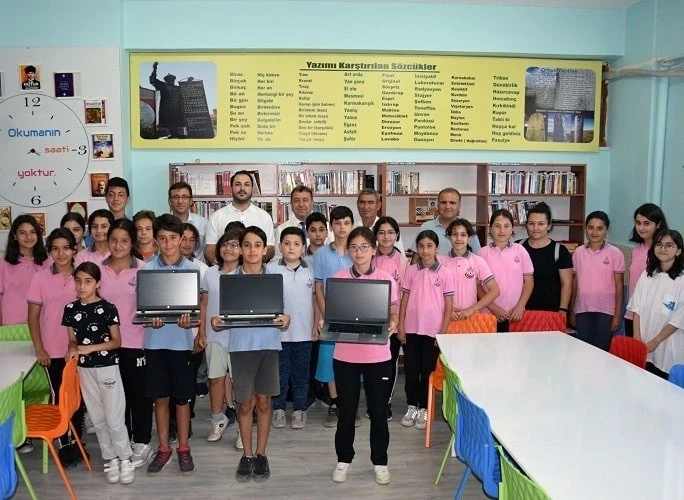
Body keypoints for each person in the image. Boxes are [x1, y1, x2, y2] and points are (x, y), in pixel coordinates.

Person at [210, 226, 291, 483]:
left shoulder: (275, 277)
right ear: (240, 249)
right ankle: (246, 454)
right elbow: (222, 317)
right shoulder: (230, 279)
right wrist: (216, 323)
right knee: (244, 403)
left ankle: (261, 454)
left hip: (268, 346)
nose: (252, 250)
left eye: (257, 245)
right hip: (240, 348)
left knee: (264, 402)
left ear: (265, 250)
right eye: (247, 245)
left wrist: (285, 319)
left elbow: (283, 313)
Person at [327, 227, 399, 486]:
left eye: (364, 247)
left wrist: (393, 321)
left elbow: (394, 310)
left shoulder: (385, 278)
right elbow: (333, 313)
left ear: (373, 250)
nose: (359, 252)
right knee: (346, 413)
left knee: (378, 413)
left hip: (377, 355)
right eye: (354, 247)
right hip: (345, 355)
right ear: (348, 251)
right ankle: (343, 460)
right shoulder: (338, 278)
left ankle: (380, 461)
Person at [143, 214, 207, 476]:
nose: (168, 243)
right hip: (155, 343)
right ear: (155, 241)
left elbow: (198, 308)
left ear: (181, 239)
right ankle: (163, 447)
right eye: (162, 238)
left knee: (182, 399)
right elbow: (144, 309)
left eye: (172, 238)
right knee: (160, 398)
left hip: (181, 344)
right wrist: (151, 319)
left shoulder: (193, 270)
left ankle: (183, 447)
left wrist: (193, 323)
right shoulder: (147, 269)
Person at [63, 262, 134, 485]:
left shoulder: (108, 308)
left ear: (98, 284)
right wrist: (72, 349)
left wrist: (89, 348)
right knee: (98, 418)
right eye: (78, 281)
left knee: (114, 419)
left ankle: (125, 458)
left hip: (107, 367)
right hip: (84, 370)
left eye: (88, 281)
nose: (82, 286)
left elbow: (116, 341)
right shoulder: (70, 309)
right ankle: (110, 458)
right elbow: (72, 339)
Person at [99, 219, 152, 469]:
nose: (118, 246)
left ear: (132, 243)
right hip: (106, 345)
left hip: (136, 342)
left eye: (124, 241)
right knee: (114, 399)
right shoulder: (97, 270)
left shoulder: (143, 270)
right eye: (114, 240)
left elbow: (150, 306)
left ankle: (142, 442)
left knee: (138, 396)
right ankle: (122, 442)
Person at [27, 228, 82, 466]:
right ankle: (64, 444)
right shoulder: (40, 278)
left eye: (66, 248)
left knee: (78, 399)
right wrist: (40, 349)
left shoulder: (82, 276)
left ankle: (77, 440)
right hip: (52, 350)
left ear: (74, 250)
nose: (61, 254)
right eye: (55, 249)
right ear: (49, 251)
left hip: (80, 349)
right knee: (59, 398)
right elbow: (33, 317)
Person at [398, 230, 454, 430]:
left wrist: (443, 332)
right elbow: (404, 299)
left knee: (427, 370)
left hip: (433, 332)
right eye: (421, 246)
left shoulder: (445, 273)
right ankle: (411, 405)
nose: (425, 250)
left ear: (437, 248)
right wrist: (401, 326)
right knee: (411, 370)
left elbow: (449, 305)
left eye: (429, 246)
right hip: (412, 329)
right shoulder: (411, 270)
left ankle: (424, 407)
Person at [267, 227, 315, 430]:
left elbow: (316, 299)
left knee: (301, 375)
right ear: (280, 246)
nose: (291, 248)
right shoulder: (270, 269)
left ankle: (299, 409)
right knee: (279, 374)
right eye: (287, 243)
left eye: (296, 244)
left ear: (303, 247)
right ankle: (278, 409)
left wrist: (316, 324)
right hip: (277, 335)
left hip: (304, 333)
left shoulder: (311, 269)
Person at [314, 206, 354, 428]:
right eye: (337, 223)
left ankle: (349, 404)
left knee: (352, 359)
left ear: (352, 225)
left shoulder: (357, 250)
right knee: (329, 358)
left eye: (346, 223)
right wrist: (326, 314)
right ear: (331, 226)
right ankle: (335, 402)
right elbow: (319, 287)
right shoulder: (322, 254)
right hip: (330, 315)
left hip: (353, 315)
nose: (342, 227)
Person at [203, 228, 243, 444]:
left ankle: (243, 429)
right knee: (216, 379)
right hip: (215, 336)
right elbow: (204, 304)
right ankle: (218, 419)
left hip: (240, 338)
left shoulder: (246, 273)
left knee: (240, 382)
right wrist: (201, 332)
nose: (229, 249)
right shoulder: (210, 273)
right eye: (225, 244)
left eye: (234, 245)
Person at [627, 229, 684, 379]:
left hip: (668, 347)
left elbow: (678, 319)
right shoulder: (647, 275)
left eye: (669, 245)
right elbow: (636, 308)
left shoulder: (681, 280)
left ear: (678, 251)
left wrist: (656, 341)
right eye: (659, 244)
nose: (663, 249)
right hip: (644, 344)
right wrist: (637, 337)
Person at [370, 216, 408, 421]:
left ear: (397, 235)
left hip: (393, 321)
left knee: (389, 362)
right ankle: (373, 401)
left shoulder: (403, 261)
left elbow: (405, 295)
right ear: (375, 235)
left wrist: (400, 323)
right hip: (371, 320)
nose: (386, 237)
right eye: (381, 232)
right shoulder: (369, 257)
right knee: (372, 363)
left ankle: (385, 402)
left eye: (391, 232)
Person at [570, 211, 625, 351]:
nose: (594, 232)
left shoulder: (615, 253)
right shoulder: (578, 252)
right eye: (590, 228)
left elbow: (619, 286)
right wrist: (571, 310)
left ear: (607, 229)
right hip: (582, 309)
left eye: (599, 228)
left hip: (606, 310)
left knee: (603, 350)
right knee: (583, 349)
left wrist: (618, 315)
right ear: (586, 228)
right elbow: (574, 283)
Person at [478, 209, 534, 332]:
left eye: (506, 226)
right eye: (497, 226)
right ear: (490, 229)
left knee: (514, 344)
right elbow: (477, 286)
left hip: (515, 314)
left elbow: (529, 282)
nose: (502, 230)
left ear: (512, 228)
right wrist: (493, 308)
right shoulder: (482, 253)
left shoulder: (520, 250)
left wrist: (520, 306)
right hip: (488, 314)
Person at [205, 171, 275, 264]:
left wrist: (253, 264)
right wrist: (223, 267)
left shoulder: (264, 216)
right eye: (238, 184)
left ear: (252, 188)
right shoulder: (217, 216)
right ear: (231, 188)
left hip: (254, 270)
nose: (242, 188)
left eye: (246, 184)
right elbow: (210, 249)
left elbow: (270, 248)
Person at [519, 203, 573, 314]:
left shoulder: (560, 251)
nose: (535, 228)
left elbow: (566, 284)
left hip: (550, 311)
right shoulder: (518, 247)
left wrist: (563, 309)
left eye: (541, 224)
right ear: (526, 225)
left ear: (549, 225)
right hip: (520, 311)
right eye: (531, 223)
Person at [442, 218, 500, 319]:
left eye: (463, 235)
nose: (458, 238)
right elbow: (432, 293)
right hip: (446, 317)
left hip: (471, 317)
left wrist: (471, 309)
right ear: (449, 237)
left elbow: (495, 290)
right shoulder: (440, 261)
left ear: (469, 238)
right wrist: (446, 309)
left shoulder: (477, 261)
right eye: (455, 234)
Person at [625, 203, 668, 337]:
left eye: (646, 223)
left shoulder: (663, 252)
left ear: (658, 224)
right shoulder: (636, 250)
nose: (641, 228)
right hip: (632, 313)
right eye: (638, 223)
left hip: (652, 316)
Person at [1, 215, 49, 326]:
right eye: (22, 233)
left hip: (41, 324)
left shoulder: (48, 263)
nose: (28, 237)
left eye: (32, 232)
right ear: (15, 236)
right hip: (12, 326)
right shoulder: (4, 264)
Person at [410, 187, 480, 260]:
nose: (447, 207)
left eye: (452, 203)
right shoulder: (426, 227)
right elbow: (416, 259)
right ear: (437, 205)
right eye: (443, 202)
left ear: (459, 206)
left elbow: (478, 257)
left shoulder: (467, 228)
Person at [169, 181, 209, 262]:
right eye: (176, 197)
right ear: (169, 201)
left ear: (191, 201)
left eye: (184, 197)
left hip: (197, 267)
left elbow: (208, 251)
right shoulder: (163, 224)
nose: (180, 201)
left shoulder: (204, 223)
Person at [275, 185, 315, 254]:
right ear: (291, 205)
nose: (301, 204)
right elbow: (278, 257)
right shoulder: (281, 229)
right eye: (296, 201)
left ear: (312, 204)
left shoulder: (324, 228)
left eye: (305, 200)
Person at [149, 62, 185, 138]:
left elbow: (187, 91)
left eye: (172, 79)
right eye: (170, 79)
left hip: (177, 110)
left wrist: (189, 82)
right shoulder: (163, 86)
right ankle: (172, 134)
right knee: (169, 122)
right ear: (166, 80)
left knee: (177, 122)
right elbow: (152, 80)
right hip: (167, 110)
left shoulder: (178, 88)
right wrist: (154, 69)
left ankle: (176, 134)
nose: (171, 81)